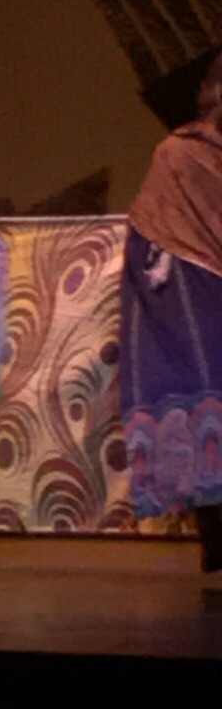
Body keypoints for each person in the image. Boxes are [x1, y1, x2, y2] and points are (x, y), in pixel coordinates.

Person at [122, 51, 222, 572]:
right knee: (206, 405)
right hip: (187, 288)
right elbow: (156, 231)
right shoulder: (179, 154)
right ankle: (217, 540)